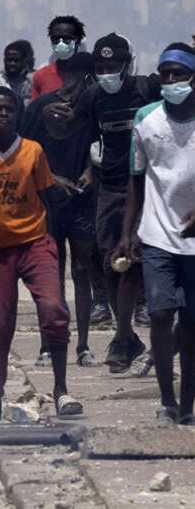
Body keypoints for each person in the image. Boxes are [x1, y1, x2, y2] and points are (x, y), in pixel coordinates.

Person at [0, 87, 83, 424]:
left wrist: (59, 244)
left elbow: (48, 196)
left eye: (10, 109)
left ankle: (61, 389)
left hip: (34, 243)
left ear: (17, 114)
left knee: (54, 310)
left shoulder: (32, 152)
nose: (4, 114)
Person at [44, 33, 158, 373]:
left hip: (147, 185)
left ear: (127, 64)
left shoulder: (146, 89)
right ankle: (126, 337)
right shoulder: (94, 96)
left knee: (132, 261)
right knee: (111, 264)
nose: (107, 71)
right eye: (101, 66)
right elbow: (71, 127)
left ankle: (124, 339)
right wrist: (55, 120)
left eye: (113, 65)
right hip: (109, 186)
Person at [115, 43, 195, 425]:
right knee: (161, 314)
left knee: (192, 324)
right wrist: (128, 232)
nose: (170, 80)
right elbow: (136, 181)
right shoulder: (146, 120)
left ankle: (188, 406)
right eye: (164, 74)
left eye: (177, 74)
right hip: (158, 234)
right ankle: (168, 401)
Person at [20, 52, 99, 368]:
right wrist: (52, 177)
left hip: (80, 200)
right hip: (47, 201)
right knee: (51, 273)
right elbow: (23, 152)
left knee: (82, 272)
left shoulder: (91, 110)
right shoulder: (40, 108)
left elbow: (99, 145)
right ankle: (47, 344)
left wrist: (91, 172)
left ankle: (82, 345)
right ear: (86, 77)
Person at [31, 15, 87, 100]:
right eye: (55, 39)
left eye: (66, 39)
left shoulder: (90, 74)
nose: (60, 43)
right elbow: (34, 110)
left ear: (77, 40)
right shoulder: (40, 75)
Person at [3, 40, 35, 107]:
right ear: (4, 61)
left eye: (16, 60)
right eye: (9, 60)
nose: (12, 63)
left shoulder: (34, 79)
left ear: (25, 61)